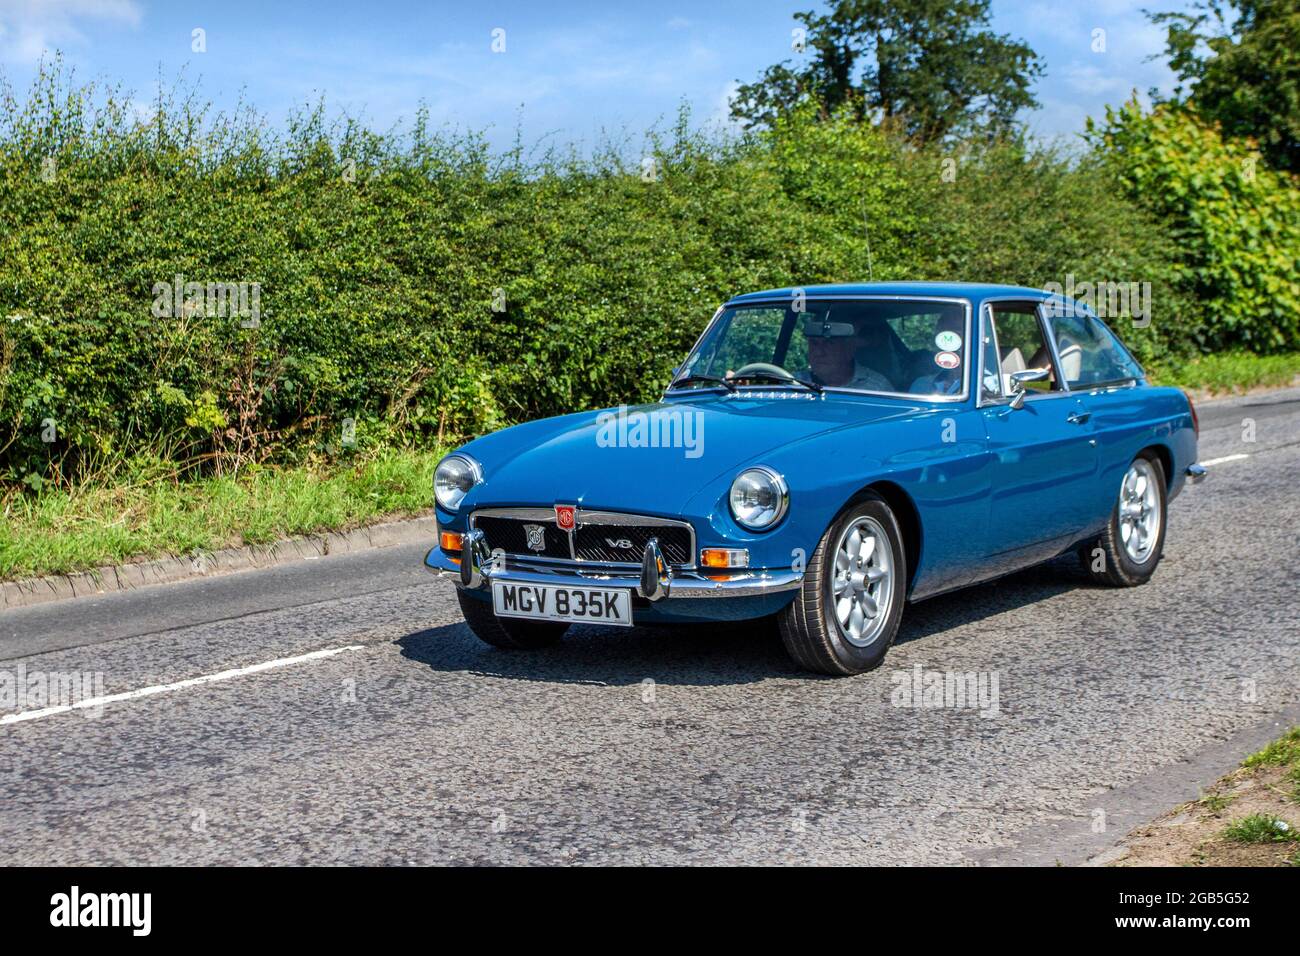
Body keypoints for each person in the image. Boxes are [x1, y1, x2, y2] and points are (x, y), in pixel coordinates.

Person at [800, 317, 895, 391]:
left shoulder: (877, 387)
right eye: (814, 343)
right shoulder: (795, 383)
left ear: (849, 349)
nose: (818, 352)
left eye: (829, 343)